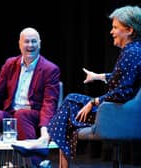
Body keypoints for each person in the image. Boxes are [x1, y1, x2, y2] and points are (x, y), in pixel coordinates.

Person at [12, 5, 141, 168]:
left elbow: (123, 92)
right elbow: (122, 78)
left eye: (115, 27)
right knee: (69, 113)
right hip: (117, 110)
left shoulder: (131, 52)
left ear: (129, 30)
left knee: (71, 103)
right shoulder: (134, 50)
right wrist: (98, 76)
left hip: (118, 114)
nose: (111, 32)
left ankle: (44, 142)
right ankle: (50, 150)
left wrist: (94, 101)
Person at [0, 27, 60, 167]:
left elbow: (49, 103)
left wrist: (45, 129)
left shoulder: (50, 69)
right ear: (20, 44)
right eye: (26, 42)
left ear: (39, 43)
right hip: (11, 114)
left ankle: (34, 164)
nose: (30, 45)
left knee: (22, 115)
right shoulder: (10, 64)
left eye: (34, 41)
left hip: (34, 116)